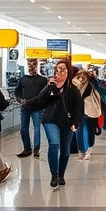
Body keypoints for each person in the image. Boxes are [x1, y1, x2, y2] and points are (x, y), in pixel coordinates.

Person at [24, 58, 82, 189]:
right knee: (54, 143)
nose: (59, 72)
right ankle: (54, 175)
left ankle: (61, 175)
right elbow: (41, 99)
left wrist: (76, 122)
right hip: (50, 119)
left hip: (67, 121)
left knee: (65, 150)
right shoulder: (51, 86)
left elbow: (79, 107)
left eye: (63, 69)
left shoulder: (72, 89)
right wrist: (49, 87)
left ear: (68, 72)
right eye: (58, 69)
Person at [14, 59, 48, 158]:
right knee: (24, 129)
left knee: (36, 128)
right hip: (25, 107)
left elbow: (42, 95)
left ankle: (36, 148)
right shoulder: (23, 79)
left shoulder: (42, 80)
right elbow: (18, 91)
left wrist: (28, 101)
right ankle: (27, 148)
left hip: (36, 107)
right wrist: (20, 99)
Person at [72, 67, 101, 160]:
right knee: (82, 131)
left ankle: (86, 151)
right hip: (81, 112)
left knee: (87, 131)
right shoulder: (75, 85)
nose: (81, 78)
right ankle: (83, 151)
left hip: (88, 111)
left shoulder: (90, 85)